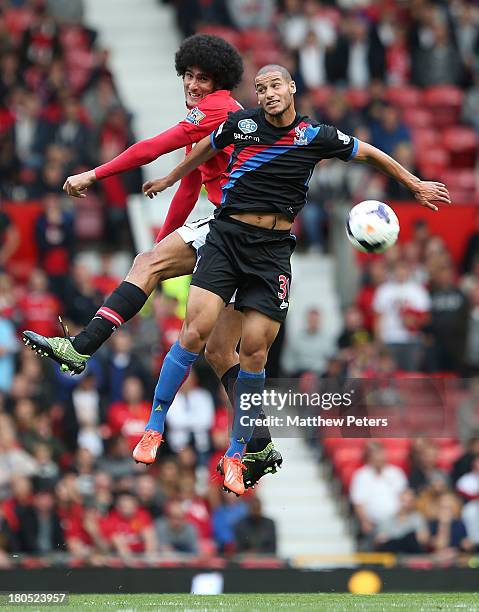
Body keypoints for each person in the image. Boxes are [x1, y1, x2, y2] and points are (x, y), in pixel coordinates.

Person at [139, 63, 450, 495]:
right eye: (261, 87)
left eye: (275, 86)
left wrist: (413, 183)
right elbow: (207, 148)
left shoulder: (315, 136)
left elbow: (371, 153)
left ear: (291, 88)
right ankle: (153, 428)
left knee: (254, 352)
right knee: (195, 331)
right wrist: (172, 177)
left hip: (271, 253)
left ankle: (236, 453)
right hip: (228, 239)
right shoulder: (242, 125)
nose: (267, 93)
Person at [22, 34, 281, 488]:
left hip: (235, 231)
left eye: (203, 78)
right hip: (250, 240)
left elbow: (152, 148)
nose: (195, 85)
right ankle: (258, 438)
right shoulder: (216, 121)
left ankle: (81, 347)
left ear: (219, 83)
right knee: (221, 352)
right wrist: (159, 254)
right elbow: (187, 187)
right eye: (190, 76)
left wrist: (93, 173)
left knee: (164, 289)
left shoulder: (218, 109)